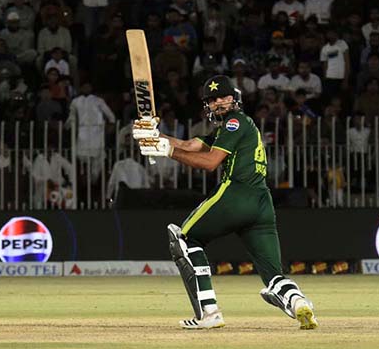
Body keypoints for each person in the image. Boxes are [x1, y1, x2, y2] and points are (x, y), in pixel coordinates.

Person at [134, 75, 318, 330]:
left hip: (236, 194)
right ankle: (299, 303)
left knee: (184, 239)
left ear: (234, 98)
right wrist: (155, 136)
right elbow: (189, 144)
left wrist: (166, 151)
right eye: (211, 99)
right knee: (273, 275)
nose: (217, 102)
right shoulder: (231, 128)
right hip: (262, 204)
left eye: (222, 96)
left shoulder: (234, 122)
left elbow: (210, 163)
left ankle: (209, 313)